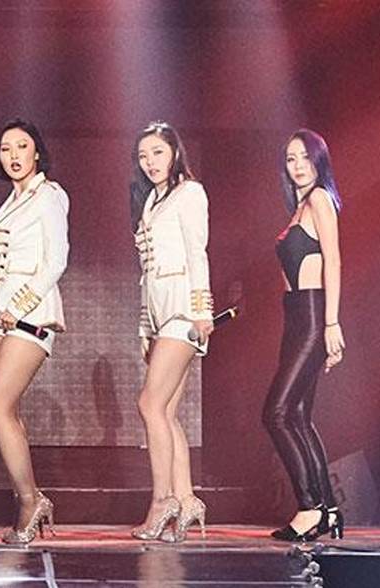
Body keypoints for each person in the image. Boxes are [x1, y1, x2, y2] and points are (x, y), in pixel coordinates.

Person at [0, 118, 69, 545]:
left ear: (37, 152)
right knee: (6, 411)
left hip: (30, 313)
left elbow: (56, 261)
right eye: (5, 148)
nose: (14, 155)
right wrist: (0, 311)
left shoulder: (48, 196)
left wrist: (17, 307)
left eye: (21, 146)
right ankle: (30, 500)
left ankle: (31, 501)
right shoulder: (12, 200)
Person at [130, 121, 213, 543]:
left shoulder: (190, 193)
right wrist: (145, 325)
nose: (150, 162)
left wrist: (202, 310)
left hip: (183, 310)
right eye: (143, 156)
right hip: (161, 315)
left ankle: (162, 500)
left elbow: (198, 252)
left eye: (157, 152)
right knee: (165, 412)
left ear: (175, 152)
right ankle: (187, 497)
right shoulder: (151, 202)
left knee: (149, 403)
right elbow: (147, 272)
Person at [264, 129, 345, 542]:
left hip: (313, 316)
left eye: (304, 157)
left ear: (319, 160)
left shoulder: (319, 200)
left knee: (276, 413)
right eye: (290, 158)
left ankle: (310, 508)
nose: (297, 166)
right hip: (295, 315)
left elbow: (334, 260)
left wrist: (331, 325)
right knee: (297, 416)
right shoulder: (298, 206)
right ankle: (327, 509)